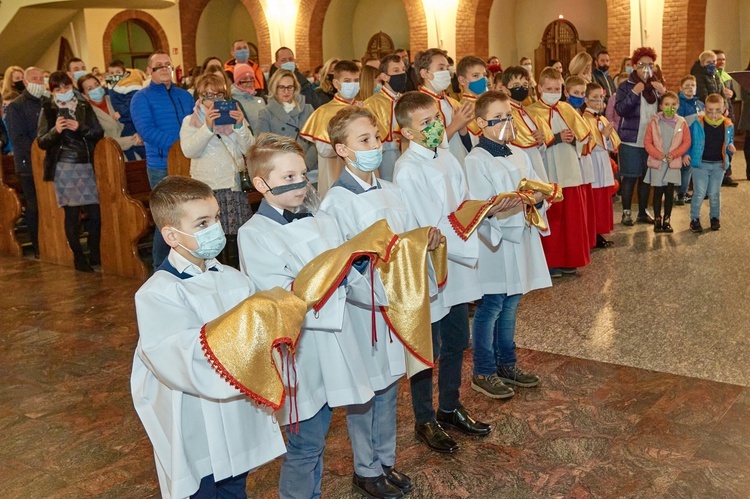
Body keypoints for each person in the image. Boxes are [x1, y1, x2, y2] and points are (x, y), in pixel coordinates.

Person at [131, 175, 288, 498]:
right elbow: (176, 356)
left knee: (235, 483)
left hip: (235, 411)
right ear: (172, 236)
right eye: (202, 222)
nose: (215, 228)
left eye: (215, 217)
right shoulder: (158, 293)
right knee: (204, 486)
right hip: (196, 417)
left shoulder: (234, 279)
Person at [394, 91, 498, 453]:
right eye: (426, 123)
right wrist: (465, 225)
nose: (437, 126)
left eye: (437, 118)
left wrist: (488, 210)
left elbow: (462, 202)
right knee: (428, 349)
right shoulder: (408, 169)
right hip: (431, 269)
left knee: (457, 341)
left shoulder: (446, 155)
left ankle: (450, 407)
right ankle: (425, 419)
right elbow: (428, 226)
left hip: (457, 264)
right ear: (407, 133)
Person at [464, 90, 547, 399]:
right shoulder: (475, 160)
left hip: (520, 237)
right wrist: (520, 202)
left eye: (509, 117)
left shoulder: (520, 153)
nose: (506, 124)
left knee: (512, 301)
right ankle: (483, 370)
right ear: (481, 123)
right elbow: (483, 207)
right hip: (494, 243)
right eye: (498, 118)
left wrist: (536, 198)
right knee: (492, 304)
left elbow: (539, 186)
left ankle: (507, 364)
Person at [179, 73, 253, 269]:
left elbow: (250, 149)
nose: (214, 100)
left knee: (237, 239)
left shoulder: (234, 116)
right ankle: (216, 275)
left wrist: (239, 126)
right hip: (209, 188)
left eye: (218, 95)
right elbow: (188, 150)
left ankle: (239, 275)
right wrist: (208, 128)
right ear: (200, 97)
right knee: (214, 239)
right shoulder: (191, 121)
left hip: (234, 186)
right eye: (208, 95)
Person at [131, 50, 195, 269]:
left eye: (167, 65)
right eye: (158, 66)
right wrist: (177, 147)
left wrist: (188, 146)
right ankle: (160, 267)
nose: (164, 69)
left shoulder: (184, 96)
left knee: (189, 215)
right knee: (166, 218)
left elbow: (194, 124)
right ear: (149, 71)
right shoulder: (142, 98)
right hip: (161, 164)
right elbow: (146, 130)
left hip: (188, 162)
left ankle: (187, 261)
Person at [526, 67, 592, 277]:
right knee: (553, 217)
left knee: (571, 218)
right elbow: (531, 143)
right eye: (549, 88)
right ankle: (551, 262)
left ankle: (569, 259)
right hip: (548, 169)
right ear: (540, 88)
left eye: (557, 88)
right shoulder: (531, 111)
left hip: (570, 168)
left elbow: (585, 139)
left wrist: (574, 140)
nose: (553, 92)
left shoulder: (567, 108)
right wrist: (555, 137)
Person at [37, 71, 103, 272]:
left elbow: (98, 132)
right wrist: (55, 130)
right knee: (72, 214)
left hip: (86, 163)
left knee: (95, 213)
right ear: (52, 91)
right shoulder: (48, 109)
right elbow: (41, 141)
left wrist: (80, 127)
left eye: (66, 87)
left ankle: (94, 252)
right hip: (64, 166)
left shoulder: (83, 105)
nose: (63, 92)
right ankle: (78, 257)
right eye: (58, 89)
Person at [614, 47, 666, 226]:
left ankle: (643, 212)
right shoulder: (625, 86)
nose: (646, 69)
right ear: (634, 66)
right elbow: (621, 110)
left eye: (650, 65)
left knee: (646, 177)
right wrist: (635, 93)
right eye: (642, 65)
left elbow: (670, 112)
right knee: (629, 176)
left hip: (651, 140)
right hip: (631, 139)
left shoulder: (658, 86)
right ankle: (626, 212)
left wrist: (664, 94)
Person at [300, 59, 360, 195]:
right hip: (335, 173)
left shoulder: (364, 108)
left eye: (356, 80)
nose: (353, 84)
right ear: (336, 83)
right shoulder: (325, 112)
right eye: (347, 81)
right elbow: (324, 150)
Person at [4, 66, 46, 258]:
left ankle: (54, 241)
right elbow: (18, 137)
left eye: (41, 78)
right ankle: (38, 246)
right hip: (28, 165)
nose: (38, 82)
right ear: (27, 82)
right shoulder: (16, 106)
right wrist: (38, 152)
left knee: (49, 204)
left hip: (50, 163)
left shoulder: (48, 102)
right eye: (34, 79)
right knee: (34, 206)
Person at [415, 48, 475, 167]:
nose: (446, 72)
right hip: (436, 167)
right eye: (441, 68)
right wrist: (455, 125)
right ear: (425, 73)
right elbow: (428, 144)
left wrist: (463, 129)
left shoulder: (452, 102)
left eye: (447, 68)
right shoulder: (417, 105)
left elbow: (466, 142)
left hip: (458, 161)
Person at [685, 93, 735, 232]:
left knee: (714, 193)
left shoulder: (728, 125)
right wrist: (686, 154)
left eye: (717, 111)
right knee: (699, 193)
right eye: (710, 111)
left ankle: (715, 218)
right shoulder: (697, 123)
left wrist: (730, 148)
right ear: (705, 109)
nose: (713, 115)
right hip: (700, 164)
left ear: (724, 109)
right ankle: (694, 219)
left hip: (719, 165)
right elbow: (689, 141)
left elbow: (728, 142)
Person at [643, 91, 691, 233]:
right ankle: (657, 219)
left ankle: (667, 219)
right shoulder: (654, 121)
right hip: (658, 163)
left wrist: (675, 154)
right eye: (667, 104)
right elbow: (648, 142)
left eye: (673, 104)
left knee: (669, 192)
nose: (670, 107)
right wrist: (657, 155)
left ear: (678, 105)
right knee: (658, 192)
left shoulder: (682, 122)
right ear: (661, 106)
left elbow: (686, 142)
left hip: (672, 163)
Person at [496, 66, 553, 182]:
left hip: (536, 164)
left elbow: (538, 149)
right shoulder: (502, 114)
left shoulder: (531, 113)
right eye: (516, 86)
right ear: (505, 89)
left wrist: (541, 142)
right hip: (516, 167)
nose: (521, 88)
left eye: (525, 85)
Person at [583, 82, 620, 246]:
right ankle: (593, 235)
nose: (599, 101)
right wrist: (603, 136)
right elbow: (590, 144)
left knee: (604, 198)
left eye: (601, 97)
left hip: (603, 162)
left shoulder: (603, 118)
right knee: (595, 199)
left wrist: (608, 138)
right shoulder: (584, 119)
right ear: (586, 100)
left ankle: (600, 233)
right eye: (595, 98)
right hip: (593, 162)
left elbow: (613, 144)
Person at [256, 69, 316, 170]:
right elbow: (264, 146)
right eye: (281, 87)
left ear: (295, 88)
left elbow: (315, 141)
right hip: (280, 168)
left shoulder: (307, 109)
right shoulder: (266, 113)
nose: (286, 91)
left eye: (290, 87)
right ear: (274, 88)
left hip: (308, 169)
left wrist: (305, 164)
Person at [362, 54, 408, 181]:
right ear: (384, 76)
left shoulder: (407, 100)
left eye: (403, 70)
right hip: (387, 158)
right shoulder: (371, 103)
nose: (402, 74)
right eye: (396, 71)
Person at [78, 73, 143, 157]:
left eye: (97, 85)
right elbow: (103, 140)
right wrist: (133, 140)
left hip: (139, 146)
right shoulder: (87, 113)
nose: (95, 89)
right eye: (90, 88)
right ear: (84, 95)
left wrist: (141, 133)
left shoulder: (114, 99)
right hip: (114, 155)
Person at [107, 60, 148, 161]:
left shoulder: (129, 85)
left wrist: (120, 111)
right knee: (132, 143)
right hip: (125, 120)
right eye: (112, 73)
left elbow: (131, 101)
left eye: (118, 72)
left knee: (129, 141)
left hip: (131, 119)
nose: (115, 75)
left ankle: (136, 162)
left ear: (124, 73)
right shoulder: (112, 84)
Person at [675, 75, 705, 204]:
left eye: (692, 85)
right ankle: (680, 193)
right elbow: (678, 126)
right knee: (684, 168)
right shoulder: (679, 104)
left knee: (693, 168)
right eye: (686, 86)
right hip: (683, 142)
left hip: (697, 142)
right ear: (681, 88)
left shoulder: (700, 104)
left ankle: (688, 191)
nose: (689, 88)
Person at [455, 55, 489, 148]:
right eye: (475, 75)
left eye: (484, 75)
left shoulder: (487, 103)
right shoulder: (463, 107)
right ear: (462, 80)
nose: (483, 79)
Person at [230, 63, 266, 129]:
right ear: (237, 82)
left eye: (251, 79)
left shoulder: (260, 100)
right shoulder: (233, 102)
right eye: (245, 80)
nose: (249, 83)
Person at [739, 58, 750, 180]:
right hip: (749, 113)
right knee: (749, 143)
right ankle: (749, 171)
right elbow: (744, 97)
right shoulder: (746, 76)